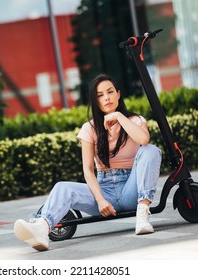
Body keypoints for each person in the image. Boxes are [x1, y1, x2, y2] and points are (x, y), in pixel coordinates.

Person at [14, 74, 162, 251]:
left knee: (151, 150)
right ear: (95, 100)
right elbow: (88, 169)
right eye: (100, 95)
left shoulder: (134, 120)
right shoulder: (89, 128)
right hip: (104, 192)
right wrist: (100, 200)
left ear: (118, 94)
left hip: (132, 189)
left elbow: (144, 139)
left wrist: (119, 117)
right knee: (63, 187)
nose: (106, 97)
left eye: (110, 92)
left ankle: (143, 216)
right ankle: (41, 228)